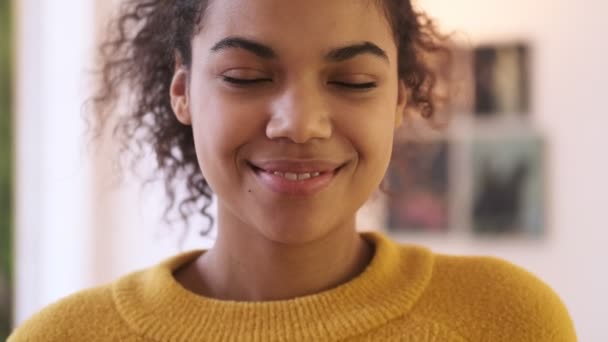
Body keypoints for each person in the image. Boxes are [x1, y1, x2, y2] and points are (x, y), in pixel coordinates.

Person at [10, 0, 576, 341]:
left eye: (353, 82)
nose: (301, 124)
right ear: (183, 92)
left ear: (400, 100)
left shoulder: (505, 320)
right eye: (246, 77)